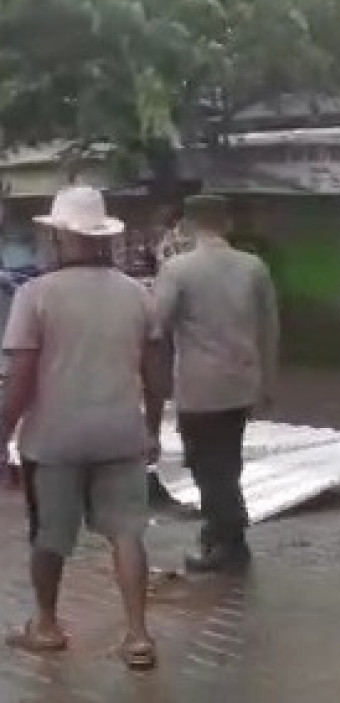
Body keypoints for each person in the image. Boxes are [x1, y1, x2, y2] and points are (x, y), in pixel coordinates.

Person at [0, 186, 165, 669]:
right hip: (121, 432)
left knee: (50, 536)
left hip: (53, 440)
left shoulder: (35, 295)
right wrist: (151, 427)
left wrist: (3, 431)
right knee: (127, 533)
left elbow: (20, 376)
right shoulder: (138, 294)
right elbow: (156, 373)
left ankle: (47, 626)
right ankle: (138, 636)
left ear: (58, 237)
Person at [155, 194, 280, 574]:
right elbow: (269, 329)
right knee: (227, 460)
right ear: (227, 224)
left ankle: (225, 539)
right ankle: (228, 536)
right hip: (241, 382)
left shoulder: (178, 270)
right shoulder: (254, 267)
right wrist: (267, 382)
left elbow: (156, 324)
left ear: (188, 226)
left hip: (200, 386)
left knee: (206, 465)